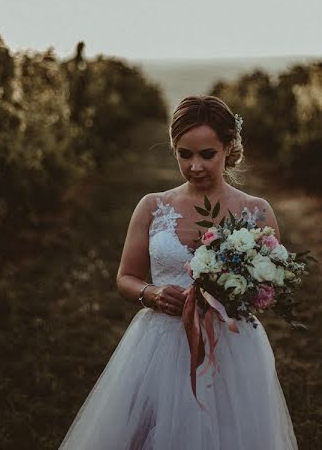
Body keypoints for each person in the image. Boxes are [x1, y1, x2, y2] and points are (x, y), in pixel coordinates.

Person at [57, 95, 298, 449]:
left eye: (207, 154)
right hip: (160, 343)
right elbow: (125, 277)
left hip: (230, 346)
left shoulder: (257, 213)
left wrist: (231, 294)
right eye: (184, 154)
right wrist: (150, 293)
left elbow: (269, 286)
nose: (195, 166)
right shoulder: (153, 207)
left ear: (228, 148)